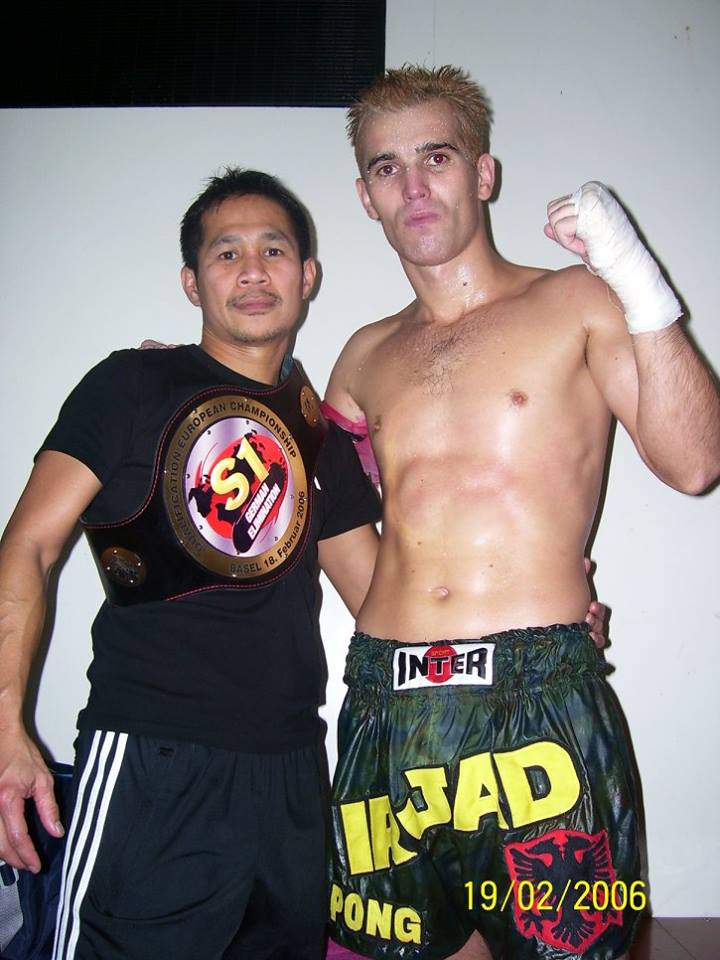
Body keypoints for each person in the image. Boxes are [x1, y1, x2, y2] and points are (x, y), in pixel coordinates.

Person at [323, 66, 720, 960]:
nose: (413, 187)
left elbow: (696, 461)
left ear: (483, 173)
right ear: (365, 196)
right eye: (387, 168)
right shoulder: (362, 356)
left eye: (436, 158)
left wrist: (639, 282)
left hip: (538, 704)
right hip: (387, 707)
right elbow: (325, 516)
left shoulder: (574, 300)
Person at [0, 168, 384, 960]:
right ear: (191, 281)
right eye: (226, 253)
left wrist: (529, 618)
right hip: (153, 760)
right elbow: (28, 547)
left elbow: (383, 600)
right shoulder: (131, 384)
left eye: (274, 250)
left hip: (292, 772)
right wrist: (4, 726)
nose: (253, 271)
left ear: (308, 275)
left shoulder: (315, 437)